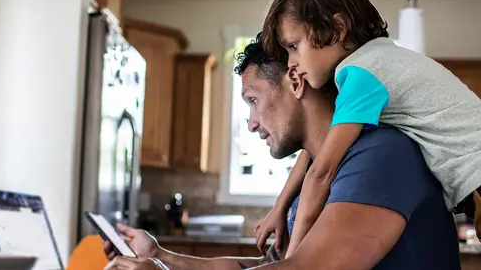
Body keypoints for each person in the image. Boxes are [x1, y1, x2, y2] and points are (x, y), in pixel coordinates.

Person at [252, 0, 481, 268]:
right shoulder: (375, 63)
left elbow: (322, 171)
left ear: (338, 28)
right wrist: (280, 206)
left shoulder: (362, 74)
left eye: (293, 45)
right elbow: (318, 151)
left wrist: (294, 261)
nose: (291, 62)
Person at [103, 34, 461, 270]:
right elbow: (271, 267)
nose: (251, 123)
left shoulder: (381, 154)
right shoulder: (313, 172)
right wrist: (162, 257)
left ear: (295, 81)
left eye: (253, 100)